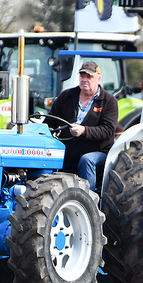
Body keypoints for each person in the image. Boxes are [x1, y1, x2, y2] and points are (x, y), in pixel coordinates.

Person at [45, 61, 118, 191]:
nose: (84, 80)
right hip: (69, 151)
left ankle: (88, 199)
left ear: (98, 78)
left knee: (87, 160)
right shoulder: (66, 96)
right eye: (82, 76)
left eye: (89, 77)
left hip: (98, 152)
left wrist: (84, 130)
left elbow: (108, 131)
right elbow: (50, 122)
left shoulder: (109, 101)